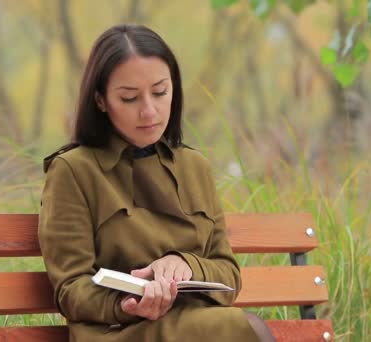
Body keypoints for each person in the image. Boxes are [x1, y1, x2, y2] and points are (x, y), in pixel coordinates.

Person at [38, 24, 275, 342]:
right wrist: (129, 304)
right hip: (119, 331)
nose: (149, 111)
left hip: (197, 323)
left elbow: (229, 275)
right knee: (240, 328)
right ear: (101, 100)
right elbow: (72, 289)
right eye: (129, 98)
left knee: (233, 326)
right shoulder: (74, 171)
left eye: (160, 92)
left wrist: (185, 264)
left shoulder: (194, 167)